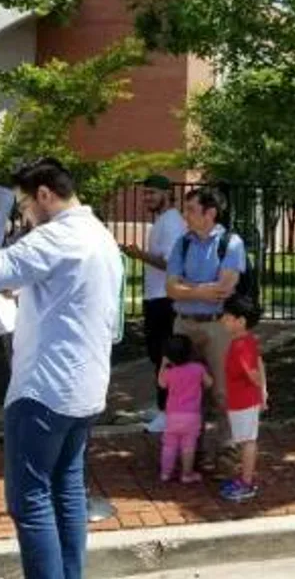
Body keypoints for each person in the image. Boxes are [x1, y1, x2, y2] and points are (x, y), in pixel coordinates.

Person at [0, 158, 123, 578]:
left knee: (29, 498)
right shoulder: (98, 235)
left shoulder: (52, 238)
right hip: (85, 388)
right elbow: (65, 295)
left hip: (43, 391)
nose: (23, 215)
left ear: (44, 195)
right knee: (67, 489)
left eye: (23, 205)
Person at [166, 188, 247, 470]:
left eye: (190, 210)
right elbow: (170, 288)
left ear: (210, 213)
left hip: (217, 328)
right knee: (186, 390)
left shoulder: (231, 243)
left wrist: (187, 288)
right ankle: (192, 448)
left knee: (223, 391)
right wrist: (201, 290)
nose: (185, 216)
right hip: (184, 325)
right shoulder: (182, 244)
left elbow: (223, 289)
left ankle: (227, 449)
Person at [120, 175, 188, 434]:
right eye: (145, 193)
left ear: (167, 194)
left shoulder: (171, 223)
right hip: (156, 297)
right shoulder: (163, 221)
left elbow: (172, 263)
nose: (147, 198)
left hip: (165, 298)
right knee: (157, 356)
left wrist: (139, 255)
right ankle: (162, 407)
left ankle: (168, 413)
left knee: (165, 357)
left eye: (152, 193)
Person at [219, 295, 267, 502]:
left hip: (244, 401)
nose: (223, 320)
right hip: (241, 400)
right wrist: (263, 391)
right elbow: (259, 362)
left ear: (241, 321)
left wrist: (260, 391)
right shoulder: (245, 341)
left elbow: (253, 372)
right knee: (244, 440)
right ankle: (244, 477)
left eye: (227, 317)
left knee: (247, 441)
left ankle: (246, 482)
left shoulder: (240, 346)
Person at [157, 334, 212, 483]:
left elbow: (161, 384)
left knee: (169, 444)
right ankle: (187, 474)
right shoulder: (198, 369)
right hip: (192, 415)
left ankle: (165, 473)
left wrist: (163, 364)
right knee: (188, 445)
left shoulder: (169, 371)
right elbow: (209, 383)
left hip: (172, 415)